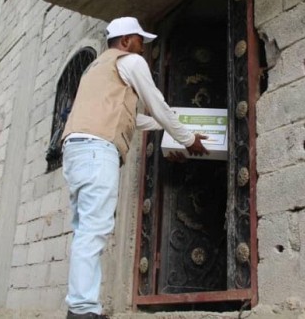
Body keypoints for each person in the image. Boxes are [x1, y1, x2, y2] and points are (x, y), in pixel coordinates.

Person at [62, 16, 209, 319]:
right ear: (126, 40)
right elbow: (155, 102)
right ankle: (82, 311)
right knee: (94, 230)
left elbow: (128, 116)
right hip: (97, 149)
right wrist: (188, 138)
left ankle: (81, 306)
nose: (143, 48)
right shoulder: (130, 61)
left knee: (84, 231)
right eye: (141, 41)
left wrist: (163, 125)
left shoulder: (95, 69)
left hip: (75, 151)